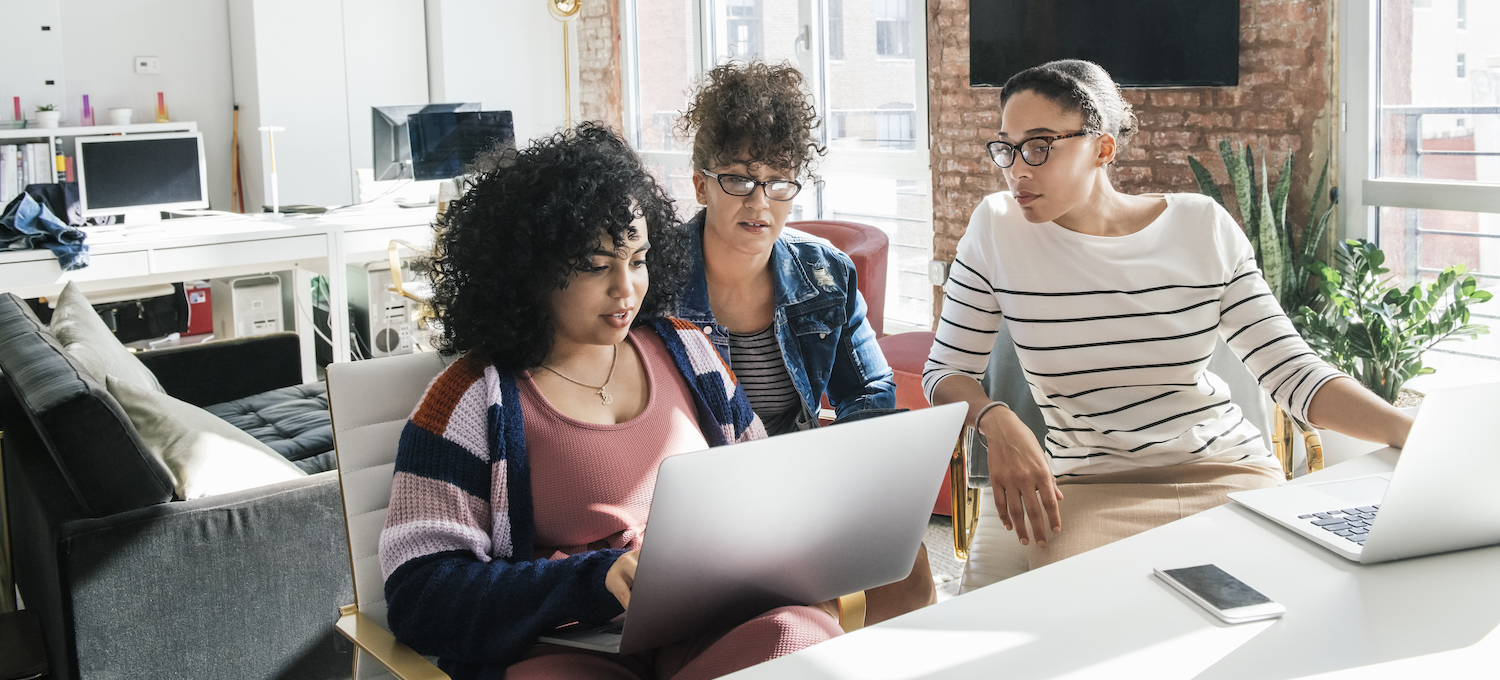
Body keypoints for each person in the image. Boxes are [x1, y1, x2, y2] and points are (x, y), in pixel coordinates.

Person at [925, 60, 1415, 590]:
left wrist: (1413, 434)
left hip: (1231, 472)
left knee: (1290, 610)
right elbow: (943, 373)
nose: (1017, 168)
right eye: (1007, 146)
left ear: (1102, 149)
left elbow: (1293, 373)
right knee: (1088, 629)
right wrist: (998, 422)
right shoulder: (997, 229)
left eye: (1040, 145)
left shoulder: (1200, 226)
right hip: (1087, 489)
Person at [379, 123, 842, 680]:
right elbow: (421, 595)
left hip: (697, 625)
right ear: (531, 269)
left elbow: (760, 495)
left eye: (639, 259)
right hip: (565, 649)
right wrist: (594, 580)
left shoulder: (688, 351)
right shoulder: (470, 399)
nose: (626, 288)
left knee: (803, 635)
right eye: (597, 266)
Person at [674, 60, 931, 621]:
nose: (760, 202)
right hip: (696, 495)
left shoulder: (826, 274)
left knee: (905, 561)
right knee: (799, 606)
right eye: (740, 178)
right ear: (701, 184)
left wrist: (838, 477)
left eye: (779, 180)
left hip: (797, 480)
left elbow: (869, 388)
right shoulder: (654, 281)